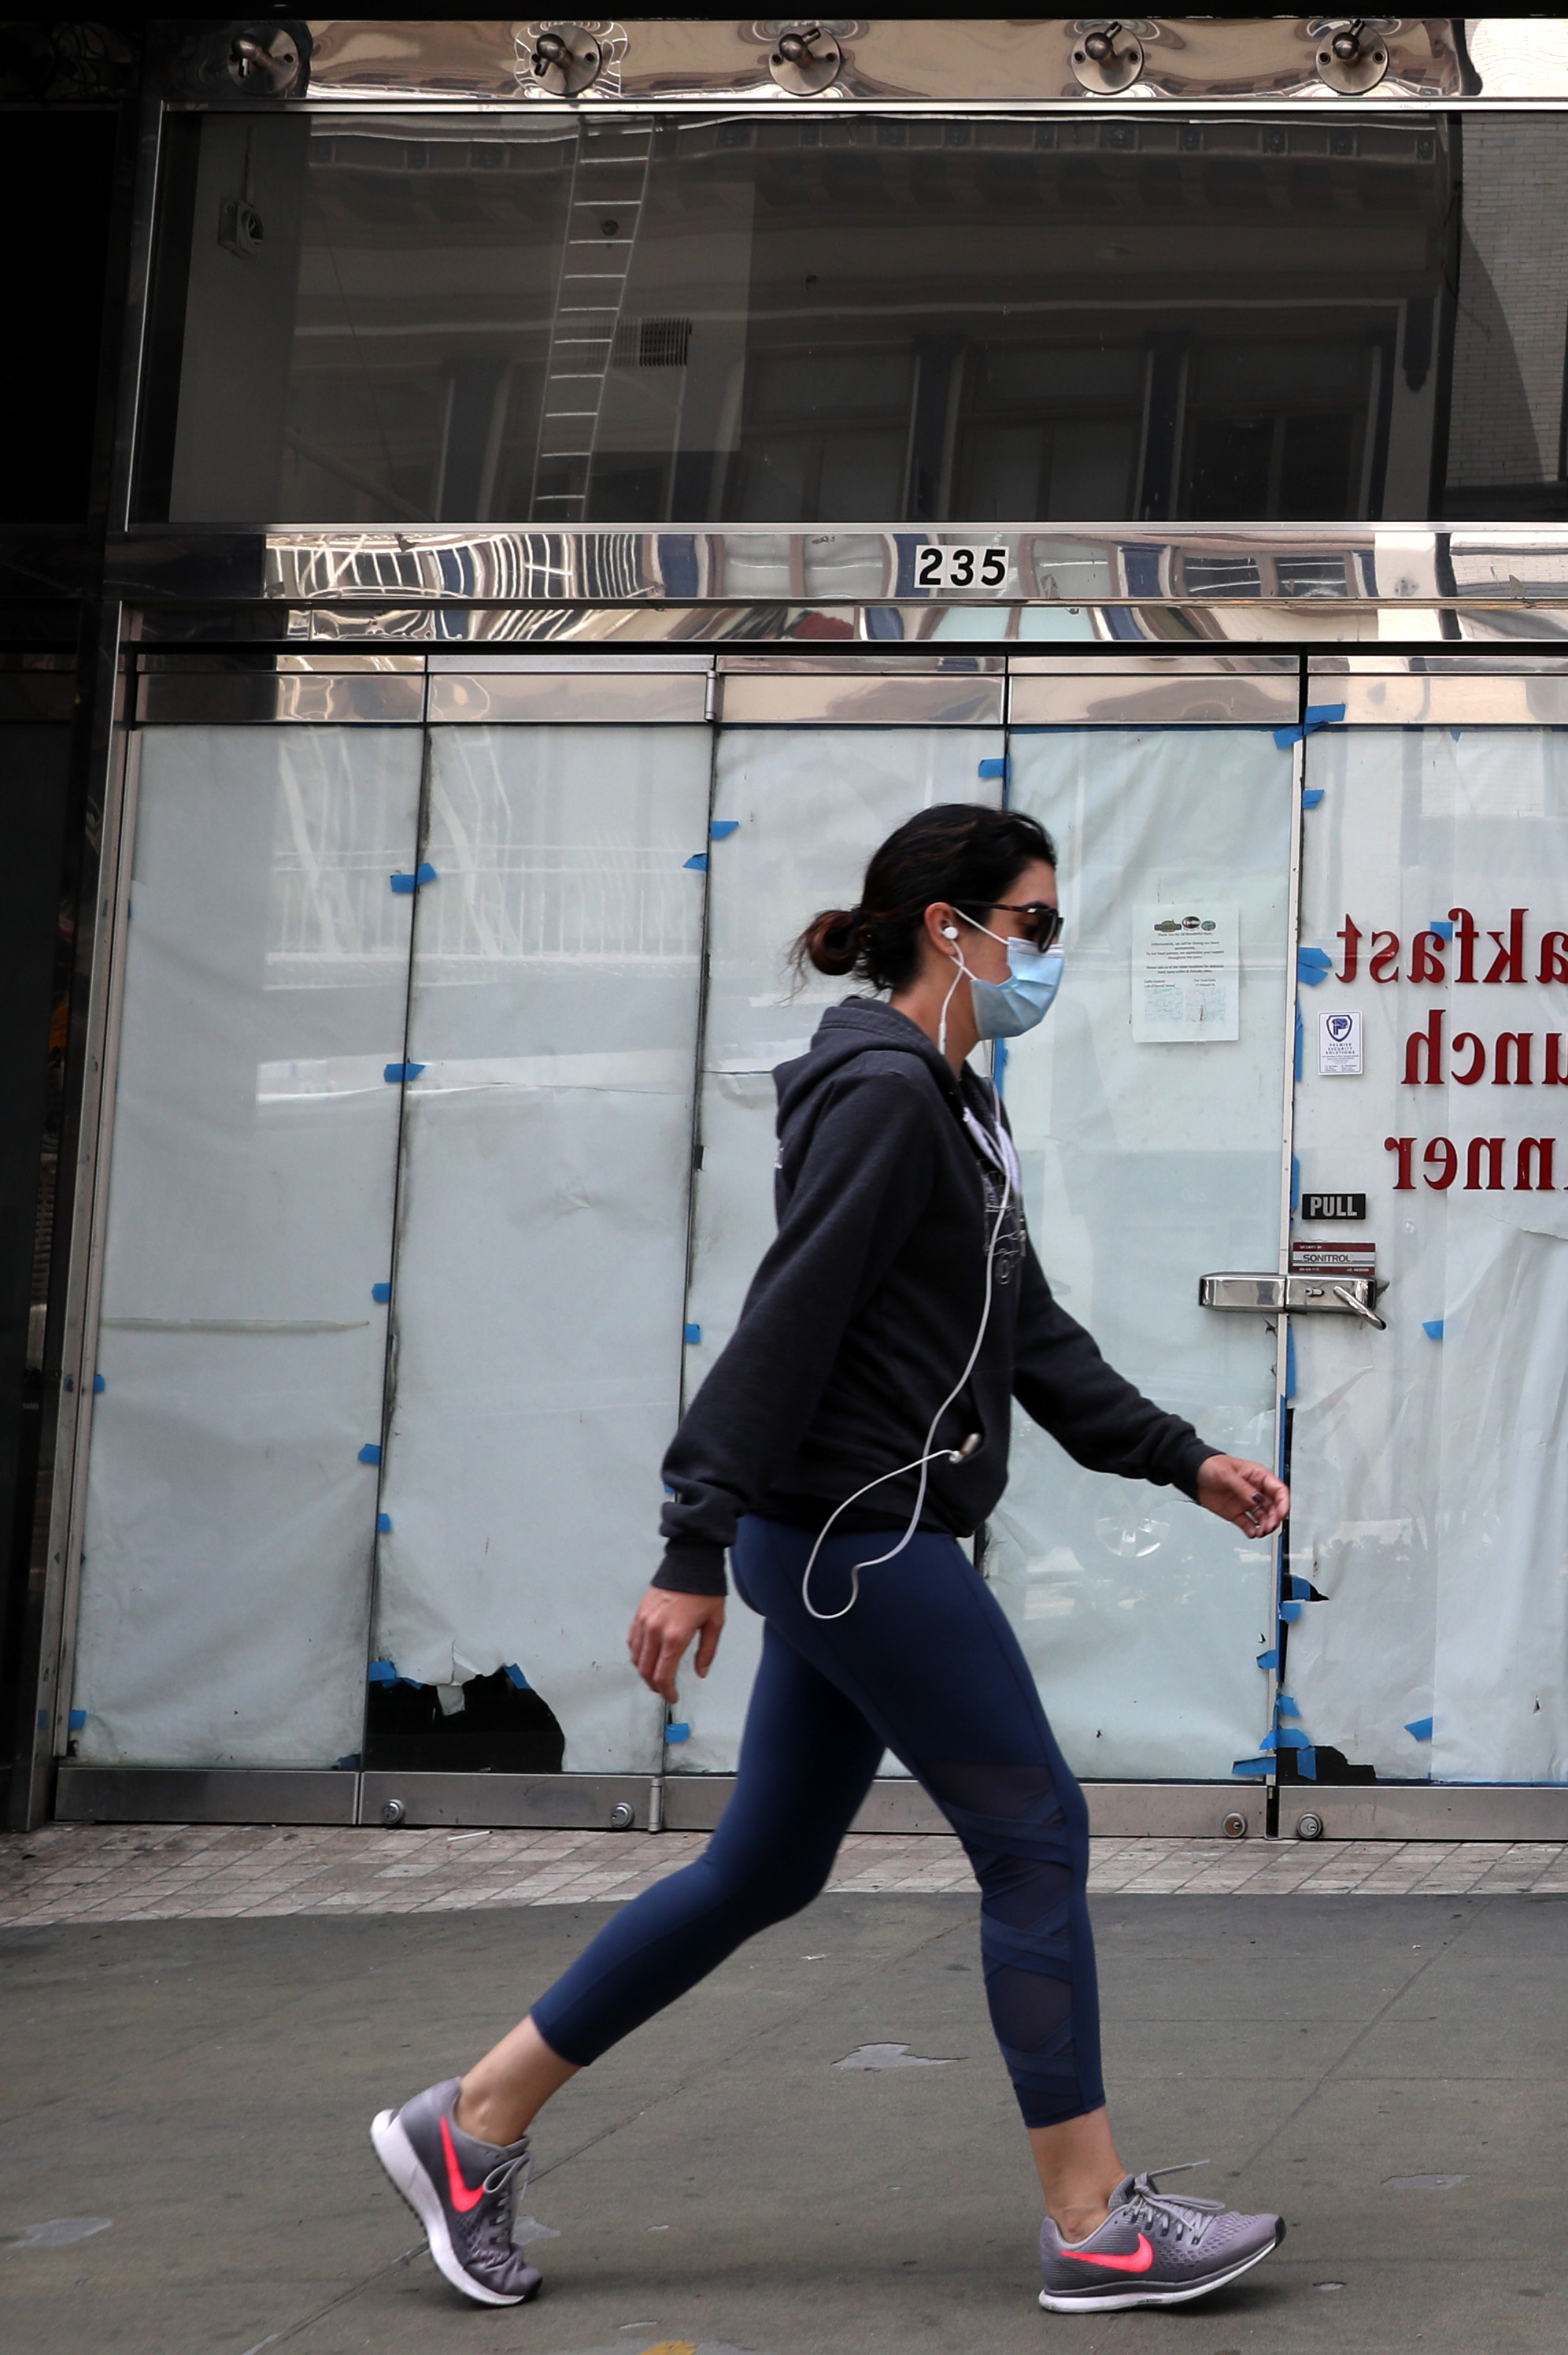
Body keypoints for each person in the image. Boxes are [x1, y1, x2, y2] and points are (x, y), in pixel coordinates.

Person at [367, 805, 1293, 2317]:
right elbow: (787, 1319)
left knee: (763, 1867)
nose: (1049, 957)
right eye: (1037, 928)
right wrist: (691, 1538)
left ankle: (468, 2125)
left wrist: (1183, 1458)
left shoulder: (954, 1100)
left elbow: (1029, 1338)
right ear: (955, 927)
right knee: (1036, 1835)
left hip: (851, 1536)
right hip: (859, 1542)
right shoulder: (883, 1096)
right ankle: (1093, 2222)